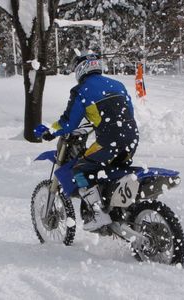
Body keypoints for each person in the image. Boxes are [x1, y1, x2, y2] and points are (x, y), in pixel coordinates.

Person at [34, 52, 139, 231]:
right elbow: (126, 112)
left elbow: (68, 122)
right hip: (131, 137)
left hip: (109, 141)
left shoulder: (82, 89)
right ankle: (117, 209)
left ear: (80, 69)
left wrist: (50, 131)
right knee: (112, 170)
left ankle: (99, 214)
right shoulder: (118, 84)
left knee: (80, 168)